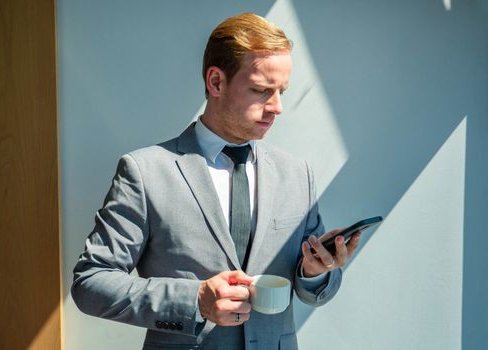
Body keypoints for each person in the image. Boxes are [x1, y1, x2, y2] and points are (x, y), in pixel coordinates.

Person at [71, 12, 361, 350]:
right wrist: (195, 301)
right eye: (261, 90)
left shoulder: (298, 175)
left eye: (281, 91)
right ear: (216, 82)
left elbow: (314, 290)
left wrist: (316, 271)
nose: (277, 107)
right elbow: (90, 281)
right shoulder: (145, 171)